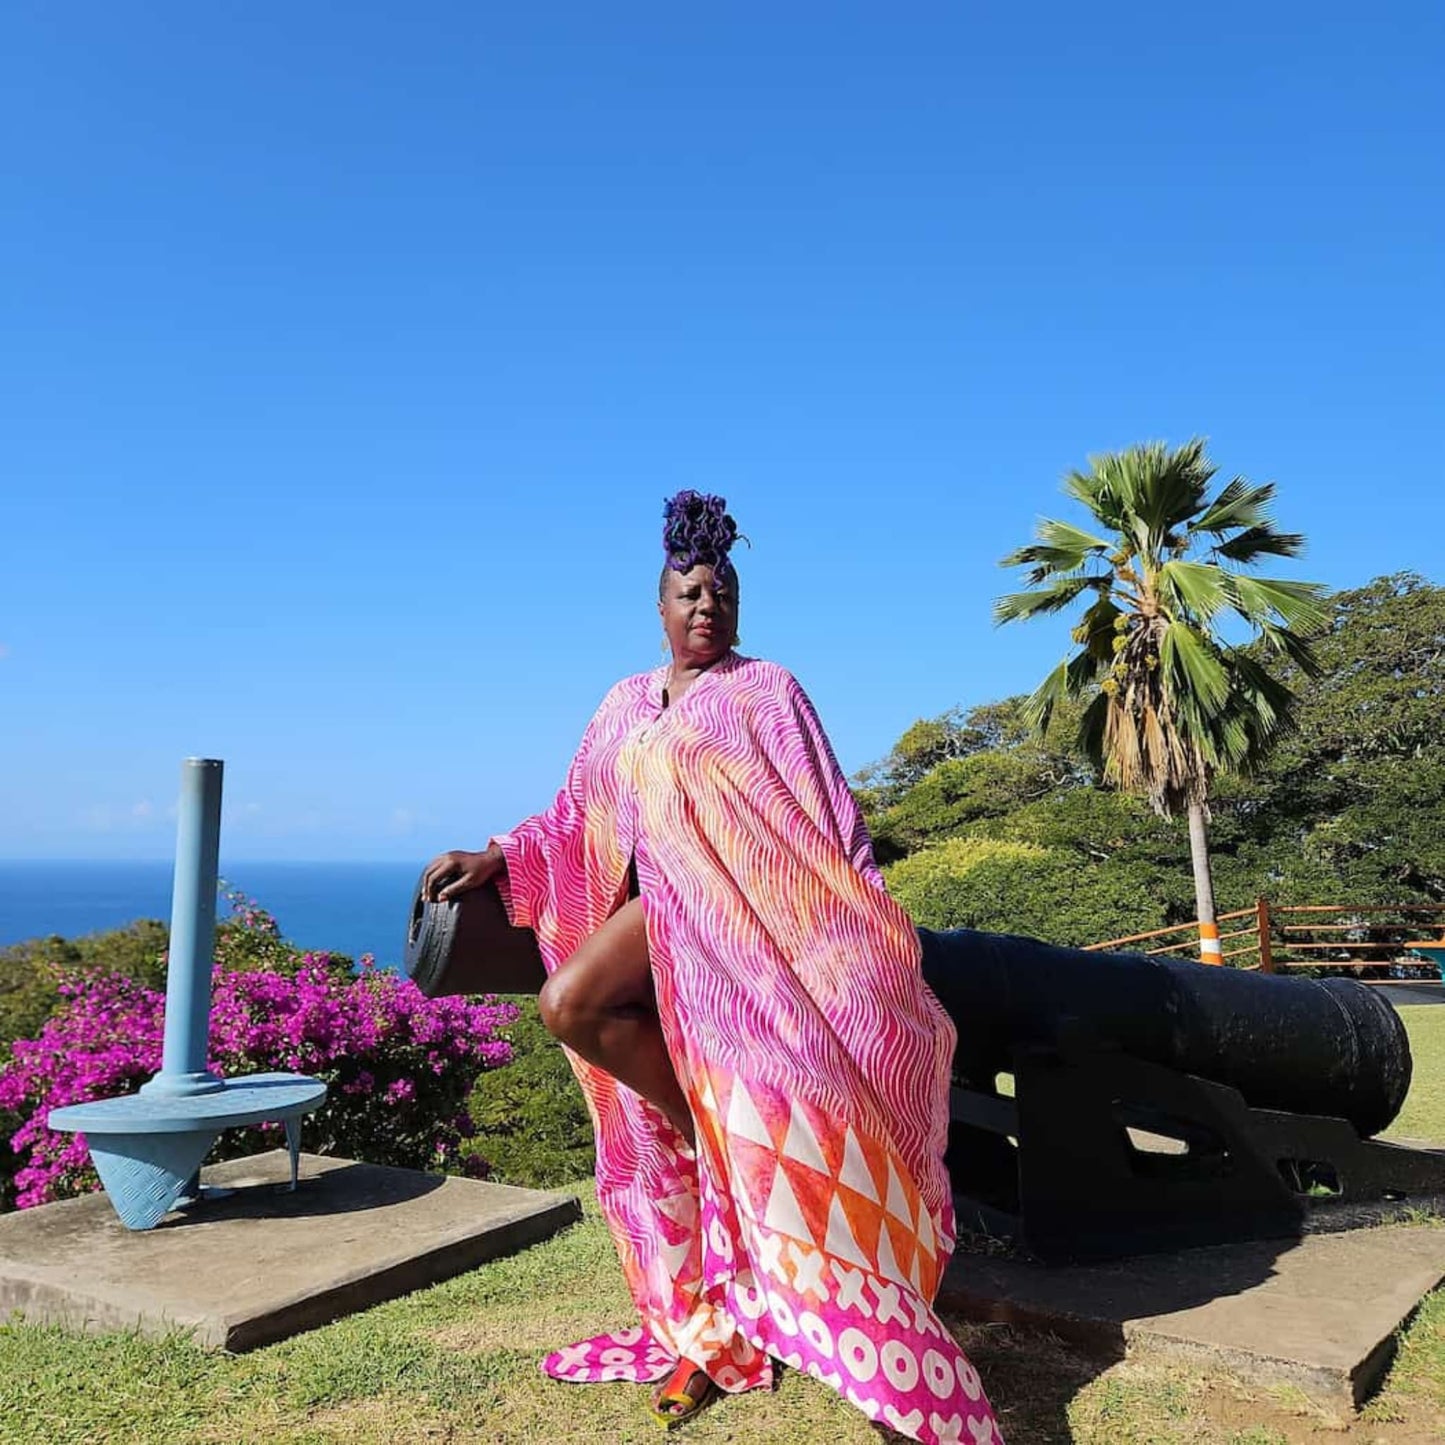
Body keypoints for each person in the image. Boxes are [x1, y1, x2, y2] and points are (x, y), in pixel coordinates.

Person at [422, 492, 1002, 1445]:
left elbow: (827, 819)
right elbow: (575, 816)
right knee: (569, 1004)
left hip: (749, 922)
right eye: (691, 592)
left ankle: (850, 1329)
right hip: (659, 912)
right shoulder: (622, 703)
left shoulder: (767, 690)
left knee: (778, 1100)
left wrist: (858, 926)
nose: (708, 607)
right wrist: (499, 854)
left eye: (723, 593)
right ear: (660, 606)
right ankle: (702, 1135)